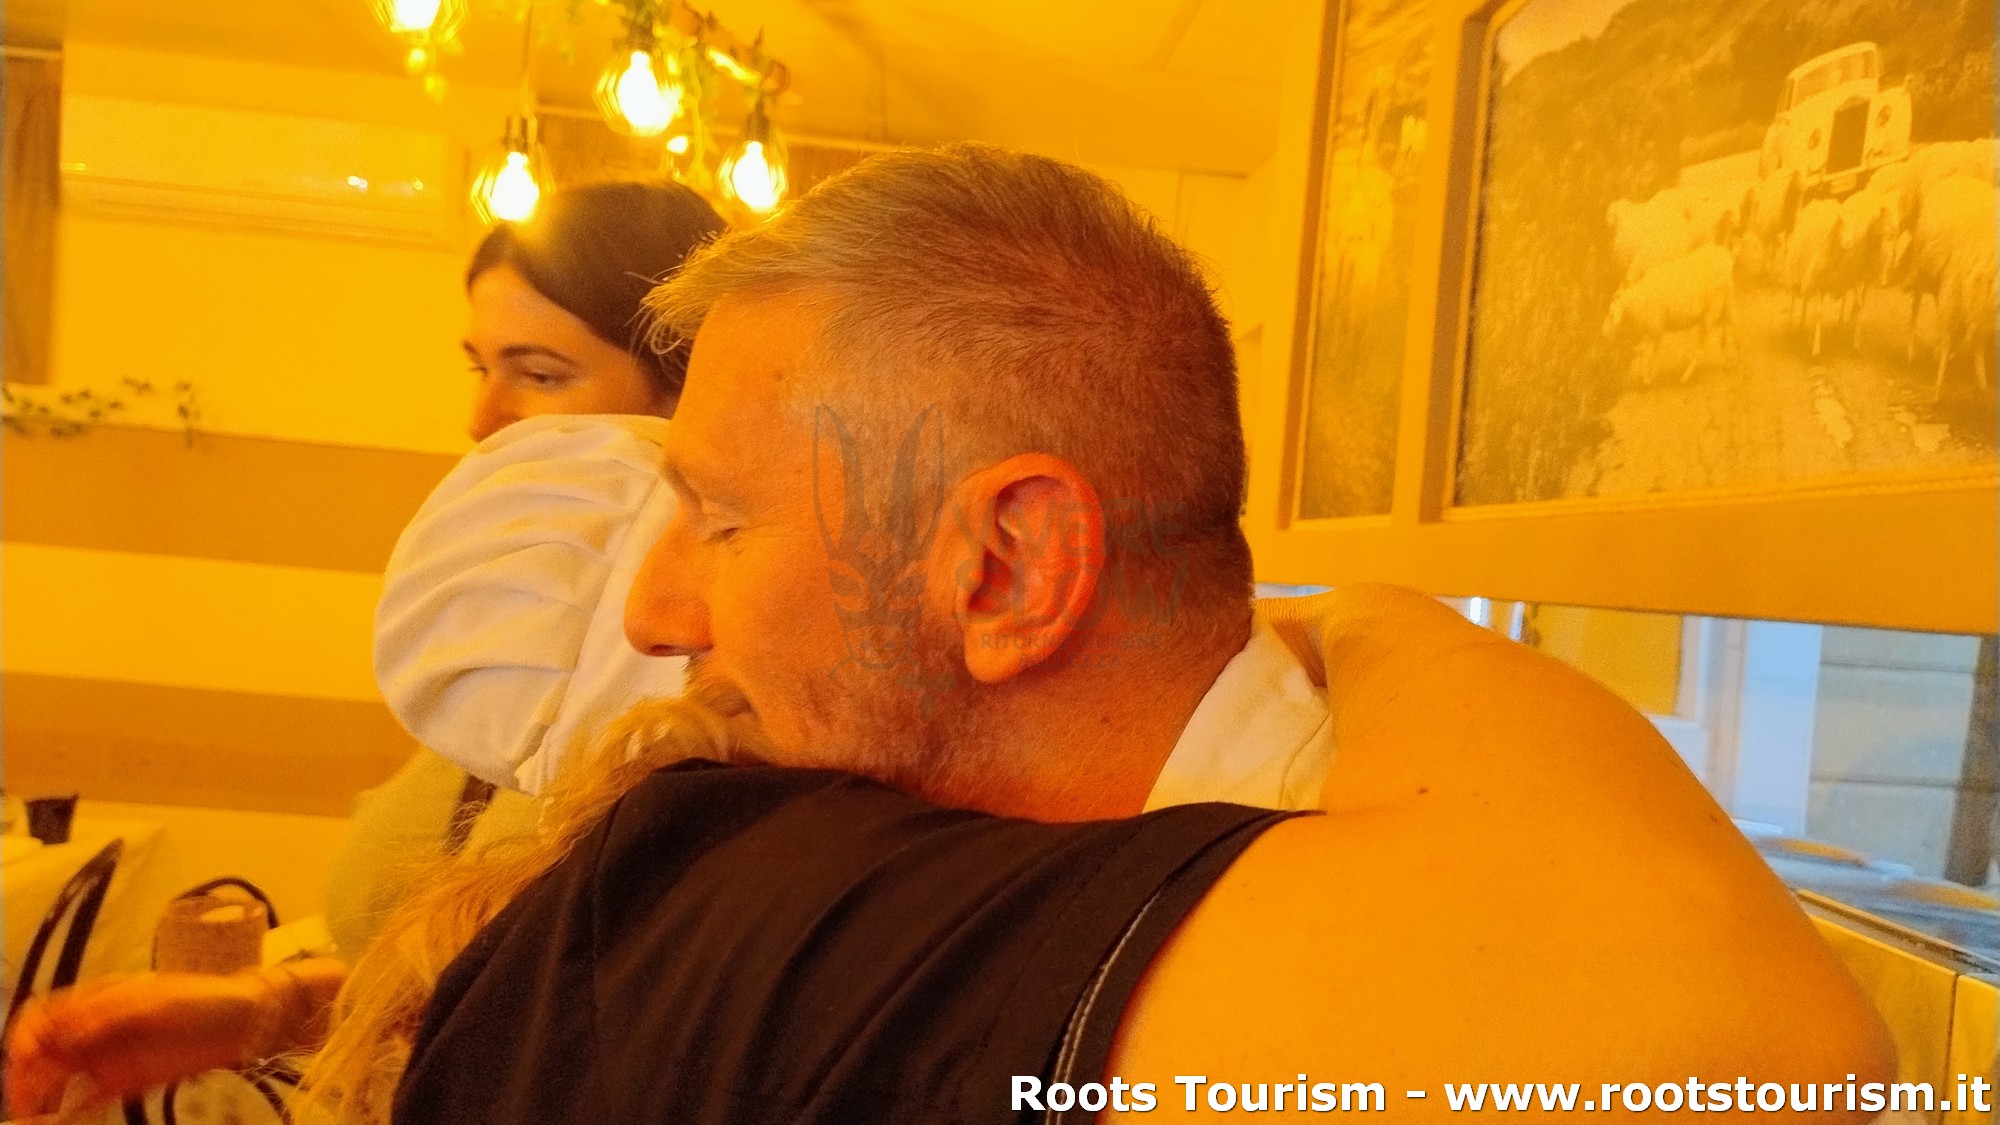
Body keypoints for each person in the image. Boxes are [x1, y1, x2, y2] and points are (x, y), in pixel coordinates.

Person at [1, 183, 722, 1118]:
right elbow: (460, 988)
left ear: (686, 388)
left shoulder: (705, 700)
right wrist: (257, 1008)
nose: (483, 417)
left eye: (541, 375)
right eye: (479, 367)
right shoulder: (509, 662)